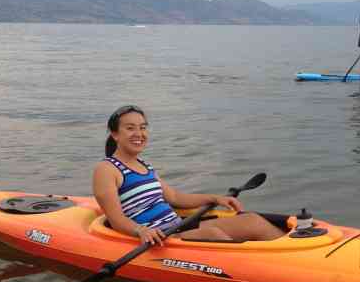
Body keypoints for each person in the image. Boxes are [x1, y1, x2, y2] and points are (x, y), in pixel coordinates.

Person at [92, 105, 284, 245]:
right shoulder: (107, 169)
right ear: (115, 134)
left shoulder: (144, 165)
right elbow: (116, 219)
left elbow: (175, 197)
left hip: (178, 227)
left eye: (143, 127)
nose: (139, 133)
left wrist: (216, 198)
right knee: (214, 235)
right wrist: (141, 230)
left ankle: (291, 256)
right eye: (130, 128)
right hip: (160, 237)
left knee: (253, 221)